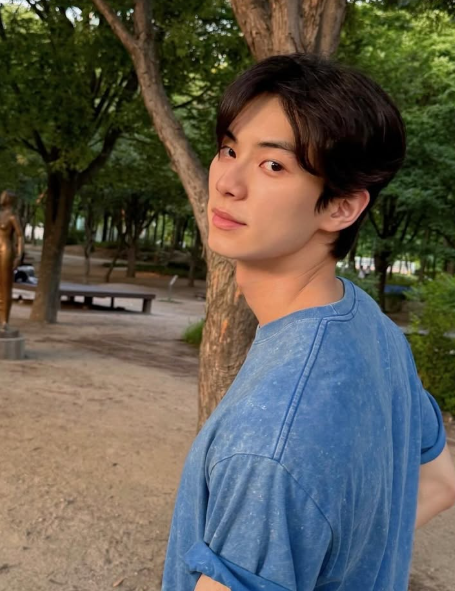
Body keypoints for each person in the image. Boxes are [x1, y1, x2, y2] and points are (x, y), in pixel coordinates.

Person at [162, 54, 455, 591]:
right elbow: (439, 481)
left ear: (341, 207)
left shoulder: (271, 438)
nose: (227, 181)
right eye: (230, 150)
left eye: (273, 165)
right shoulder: (371, 327)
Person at [0, 190, 24, 331]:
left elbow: (20, 236)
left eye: (4, 196)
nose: (2, 197)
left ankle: (4, 321)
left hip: (6, 251)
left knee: (5, 286)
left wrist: (19, 256)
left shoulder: (12, 217)